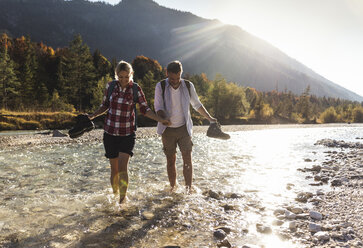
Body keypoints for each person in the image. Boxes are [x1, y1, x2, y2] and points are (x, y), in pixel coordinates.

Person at [88, 60, 170, 204]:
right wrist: (92, 116)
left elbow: (145, 109)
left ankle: (122, 199)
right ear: (116, 75)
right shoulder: (111, 86)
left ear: (131, 75)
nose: (124, 80)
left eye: (127, 77)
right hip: (110, 132)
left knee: (122, 166)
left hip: (127, 133)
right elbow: (104, 105)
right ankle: (114, 196)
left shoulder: (135, 89)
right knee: (114, 169)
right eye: (121, 77)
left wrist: (159, 119)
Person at [154, 60, 217, 193]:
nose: (175, 81)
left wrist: (210, 118)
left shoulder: (188, 86)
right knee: (171, 160)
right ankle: (173, 189)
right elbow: (158, 107)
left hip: (184, 128)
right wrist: (163, 118)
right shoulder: (161, 86)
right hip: (167, 129)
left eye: (178, 78)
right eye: (172, 78)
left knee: (187, 158)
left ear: (181, 74)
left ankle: (188, 189)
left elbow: (197, 105)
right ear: (167, 73)